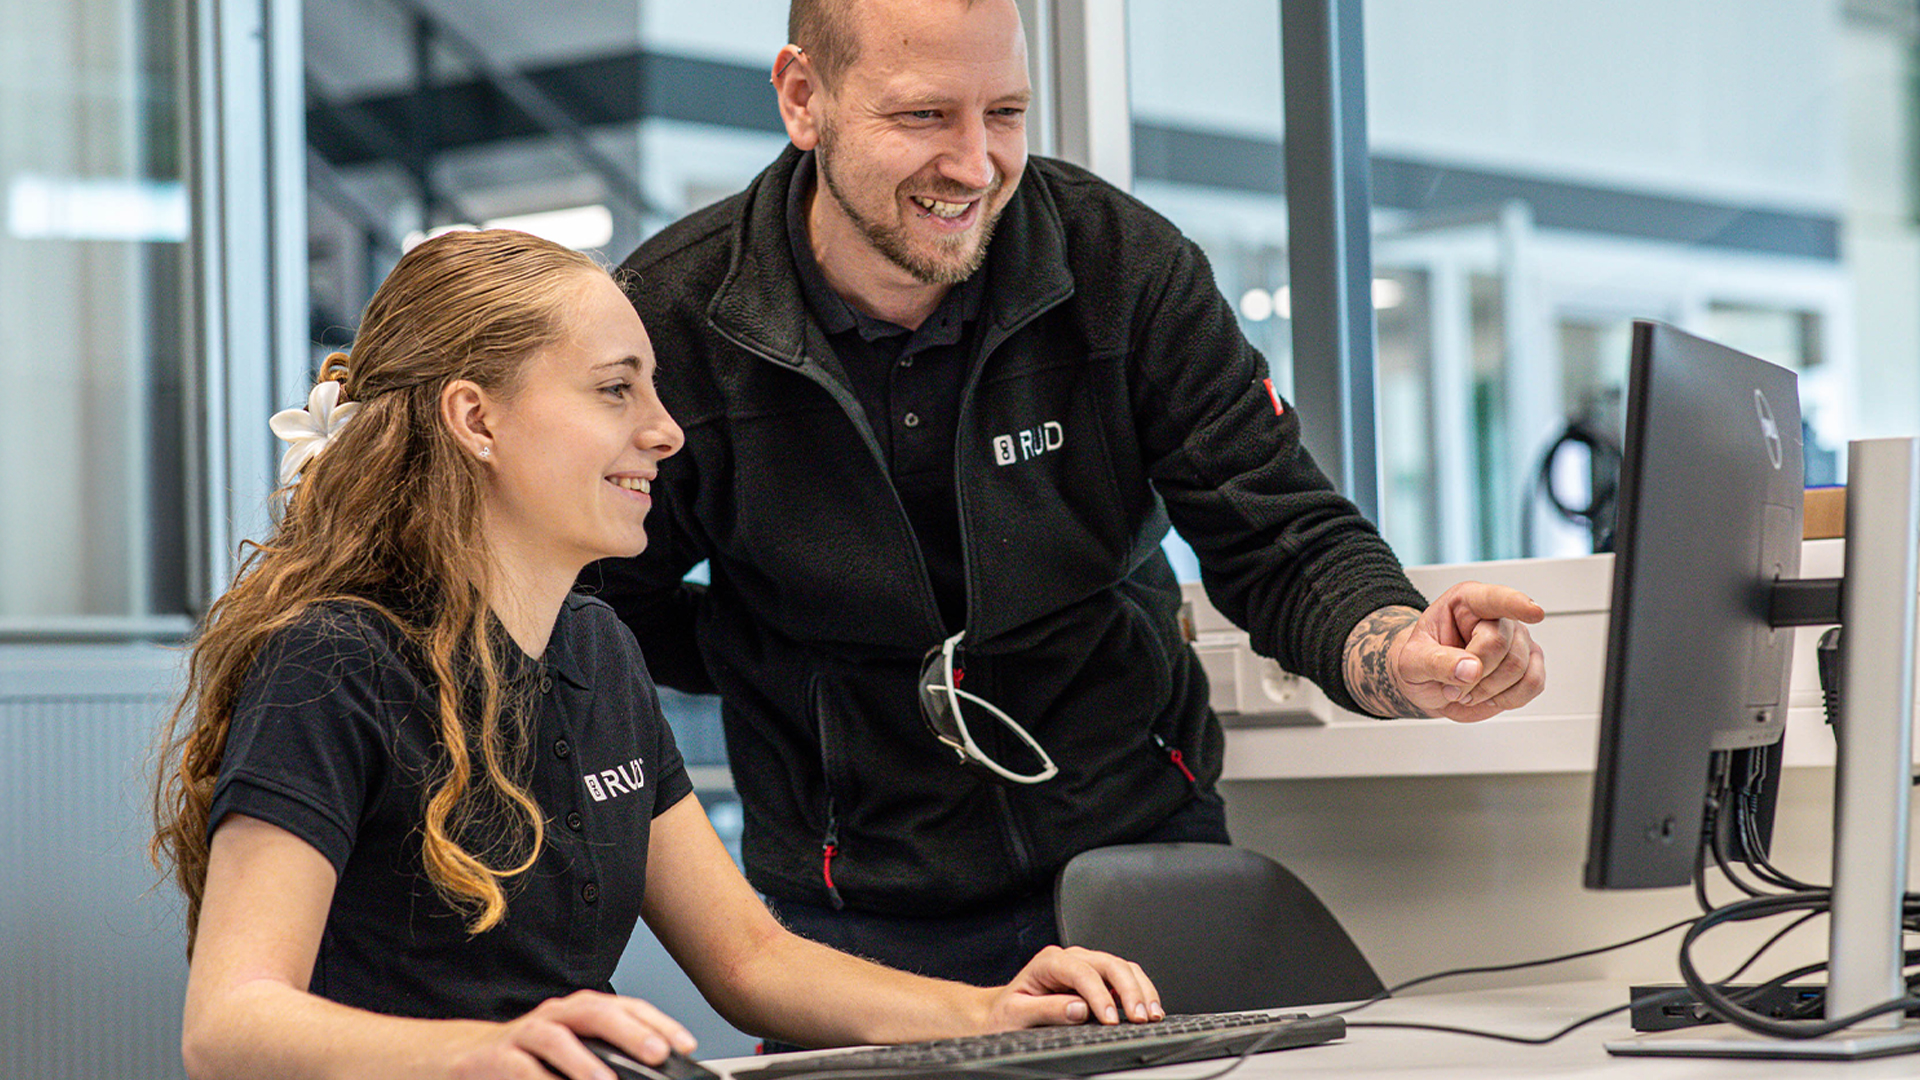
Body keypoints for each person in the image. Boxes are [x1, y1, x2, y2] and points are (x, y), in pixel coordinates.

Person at [586, 0, 1546, 994]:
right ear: (803, 98)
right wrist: (767, 656)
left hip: (1141, 857)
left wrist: (1397, 650)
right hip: (863, 906)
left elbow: (1282, 533)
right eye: (924, 117)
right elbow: (602, 599)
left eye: (1005, 112)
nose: (975, 163)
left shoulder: (1122, 269)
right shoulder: (675, 325)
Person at [150, 229, 1163, 1080]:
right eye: (613, 391)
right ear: (476, 419)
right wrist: (484, 1052)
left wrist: (991, 1014)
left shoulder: (597, 648)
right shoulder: (332, 663)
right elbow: (228, 1022)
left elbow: (751, 961)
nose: (667, 432)